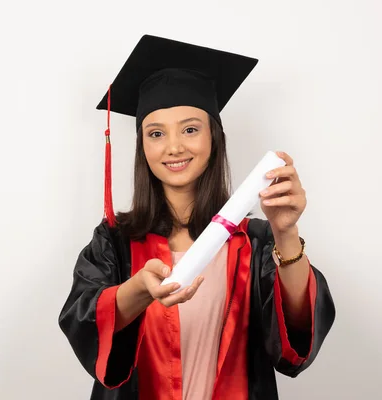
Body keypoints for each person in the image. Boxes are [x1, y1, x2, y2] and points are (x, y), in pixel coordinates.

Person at [58, 34, 335, 400]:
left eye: (190, 129)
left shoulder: (254, 241)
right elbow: (84, 322)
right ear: (143, 147)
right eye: (156, 133)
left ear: (213, 138)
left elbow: (295, 339)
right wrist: (138, 290)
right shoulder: (114, 241)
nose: (174, 146)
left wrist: (285, 232)